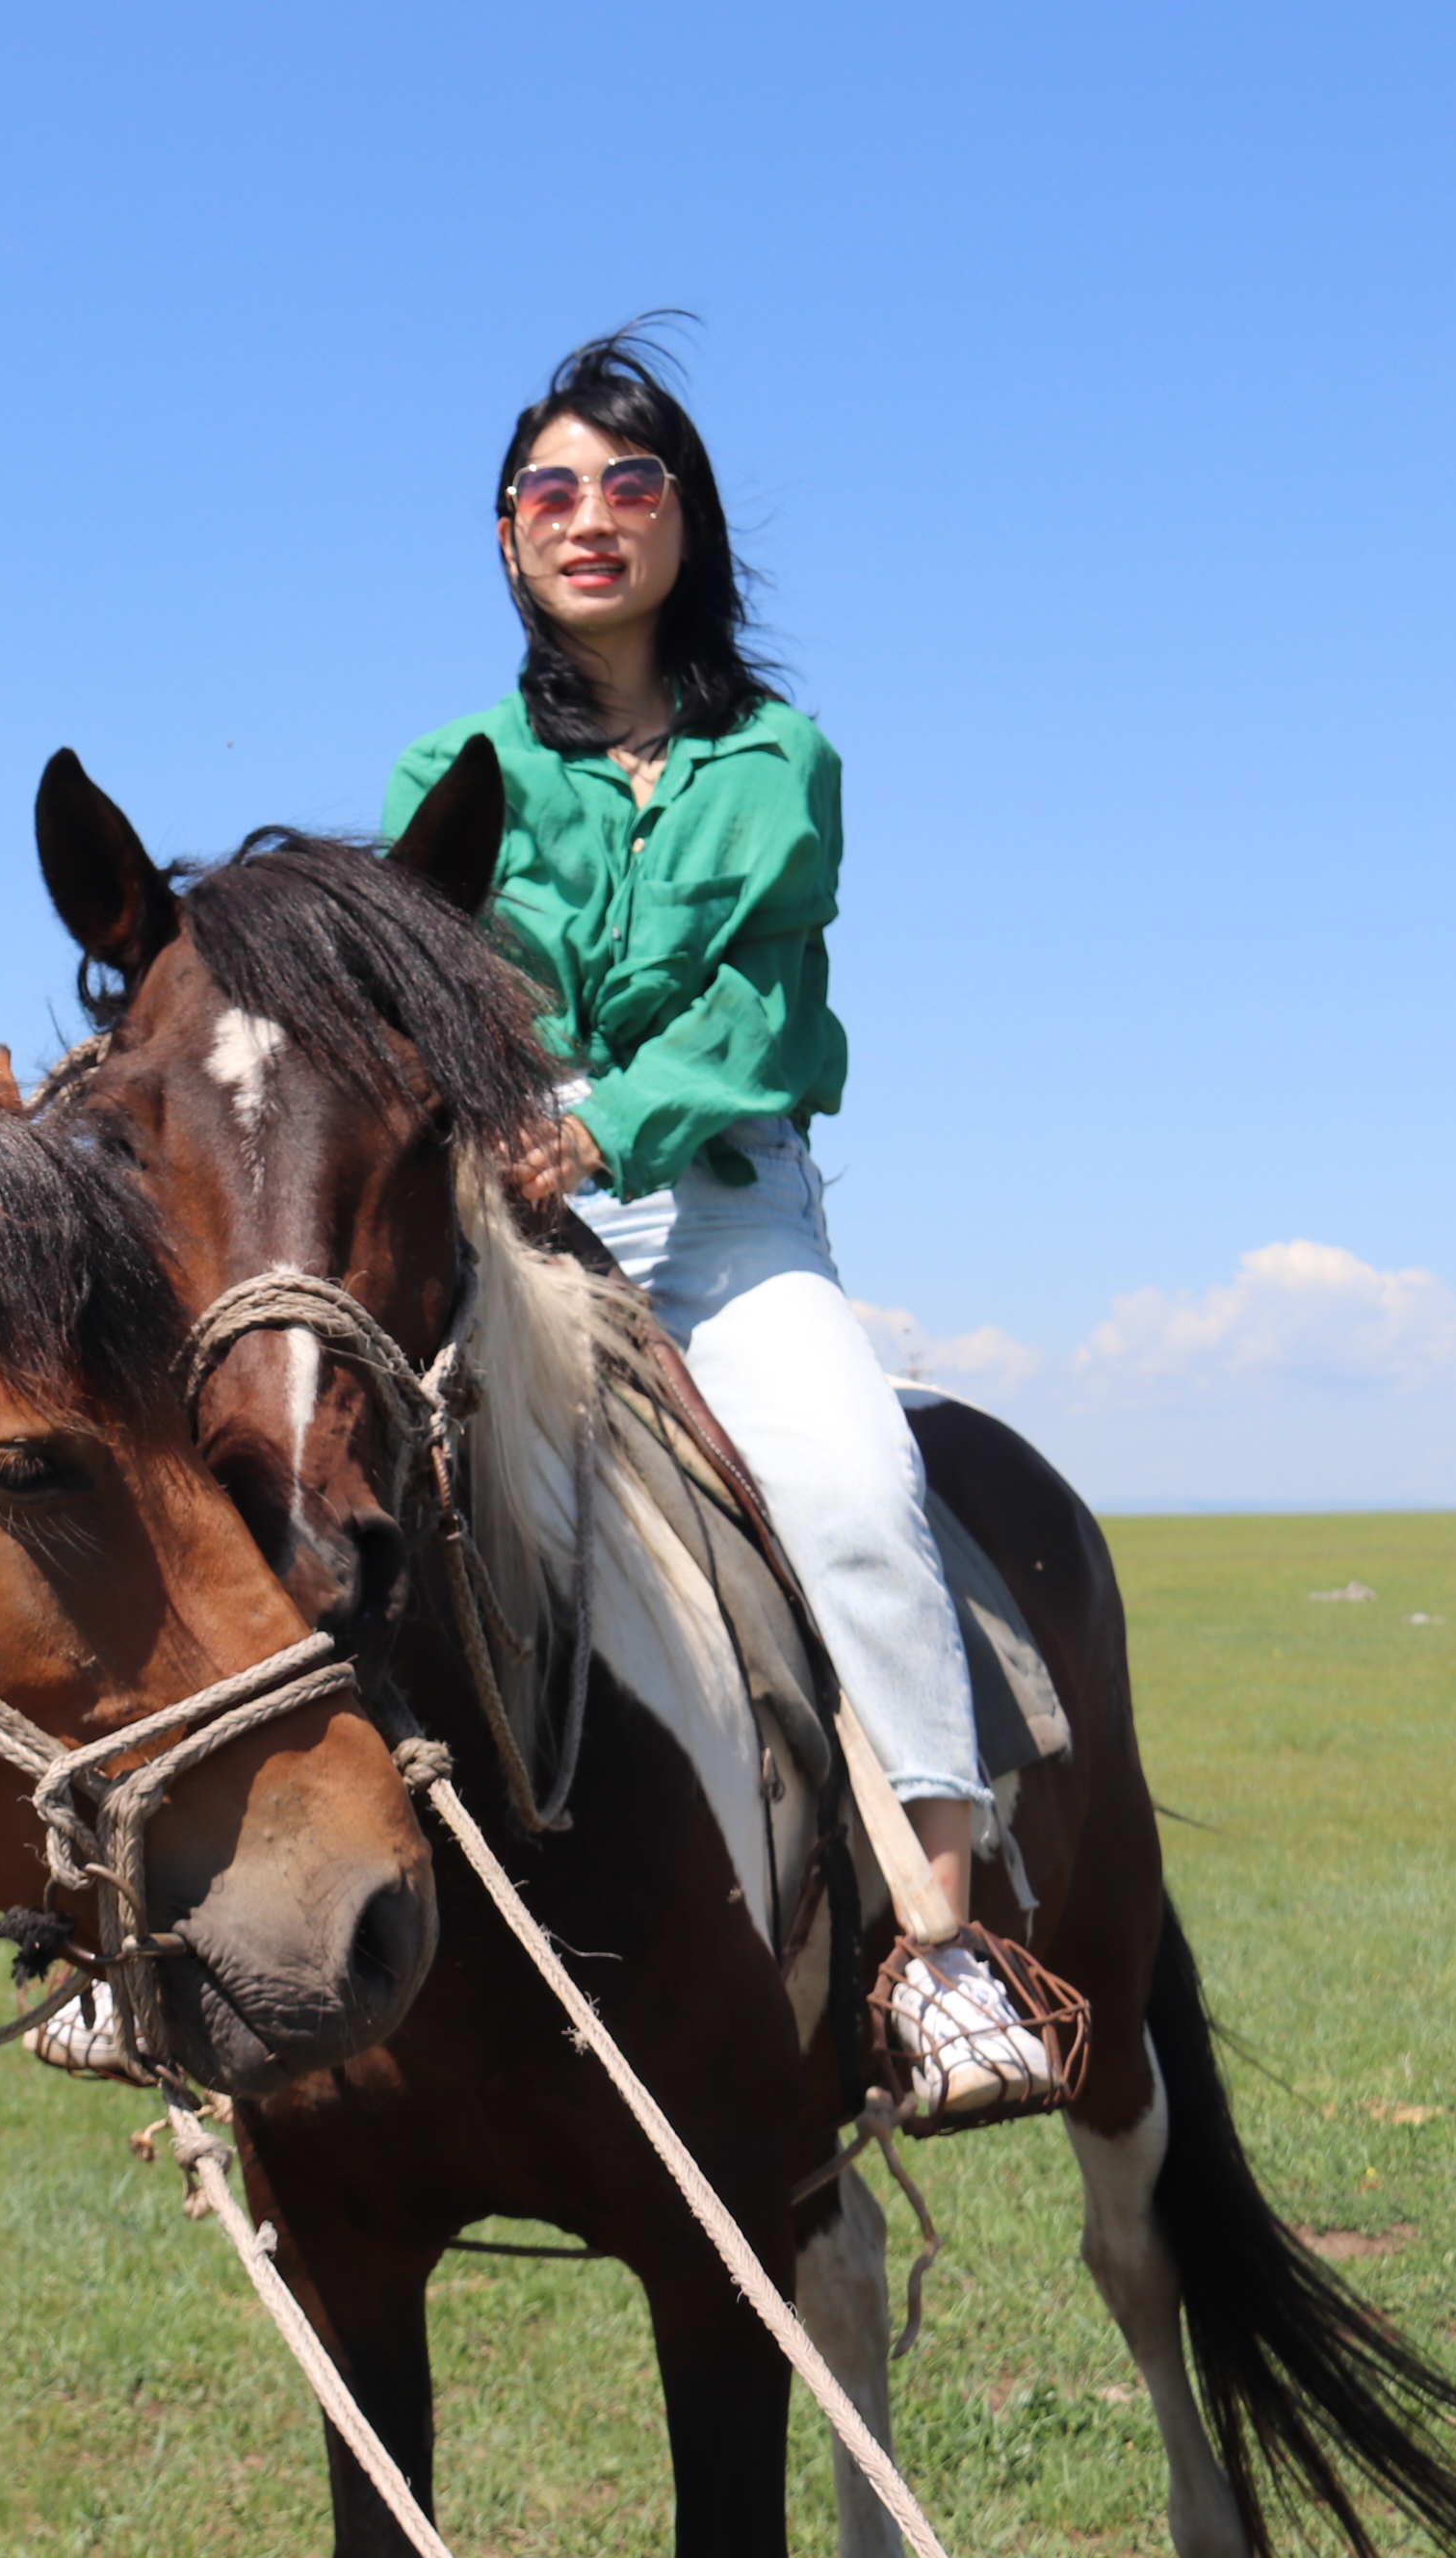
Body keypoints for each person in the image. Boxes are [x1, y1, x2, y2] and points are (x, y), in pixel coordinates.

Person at [380, 327, 1052, 2122]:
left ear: (691, 520)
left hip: (725, 1225)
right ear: (506, 535)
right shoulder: (448, 765)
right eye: (549, 491)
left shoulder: (782, 759)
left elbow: (755, 1014)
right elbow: (426, 989)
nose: (589, 517)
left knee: (846, 1490)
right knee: (314, 1465)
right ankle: (146, 1927)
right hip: (500, 1228)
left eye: (631, 484)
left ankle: (943, 1945)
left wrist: (595, 1123)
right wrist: (502, 1124)